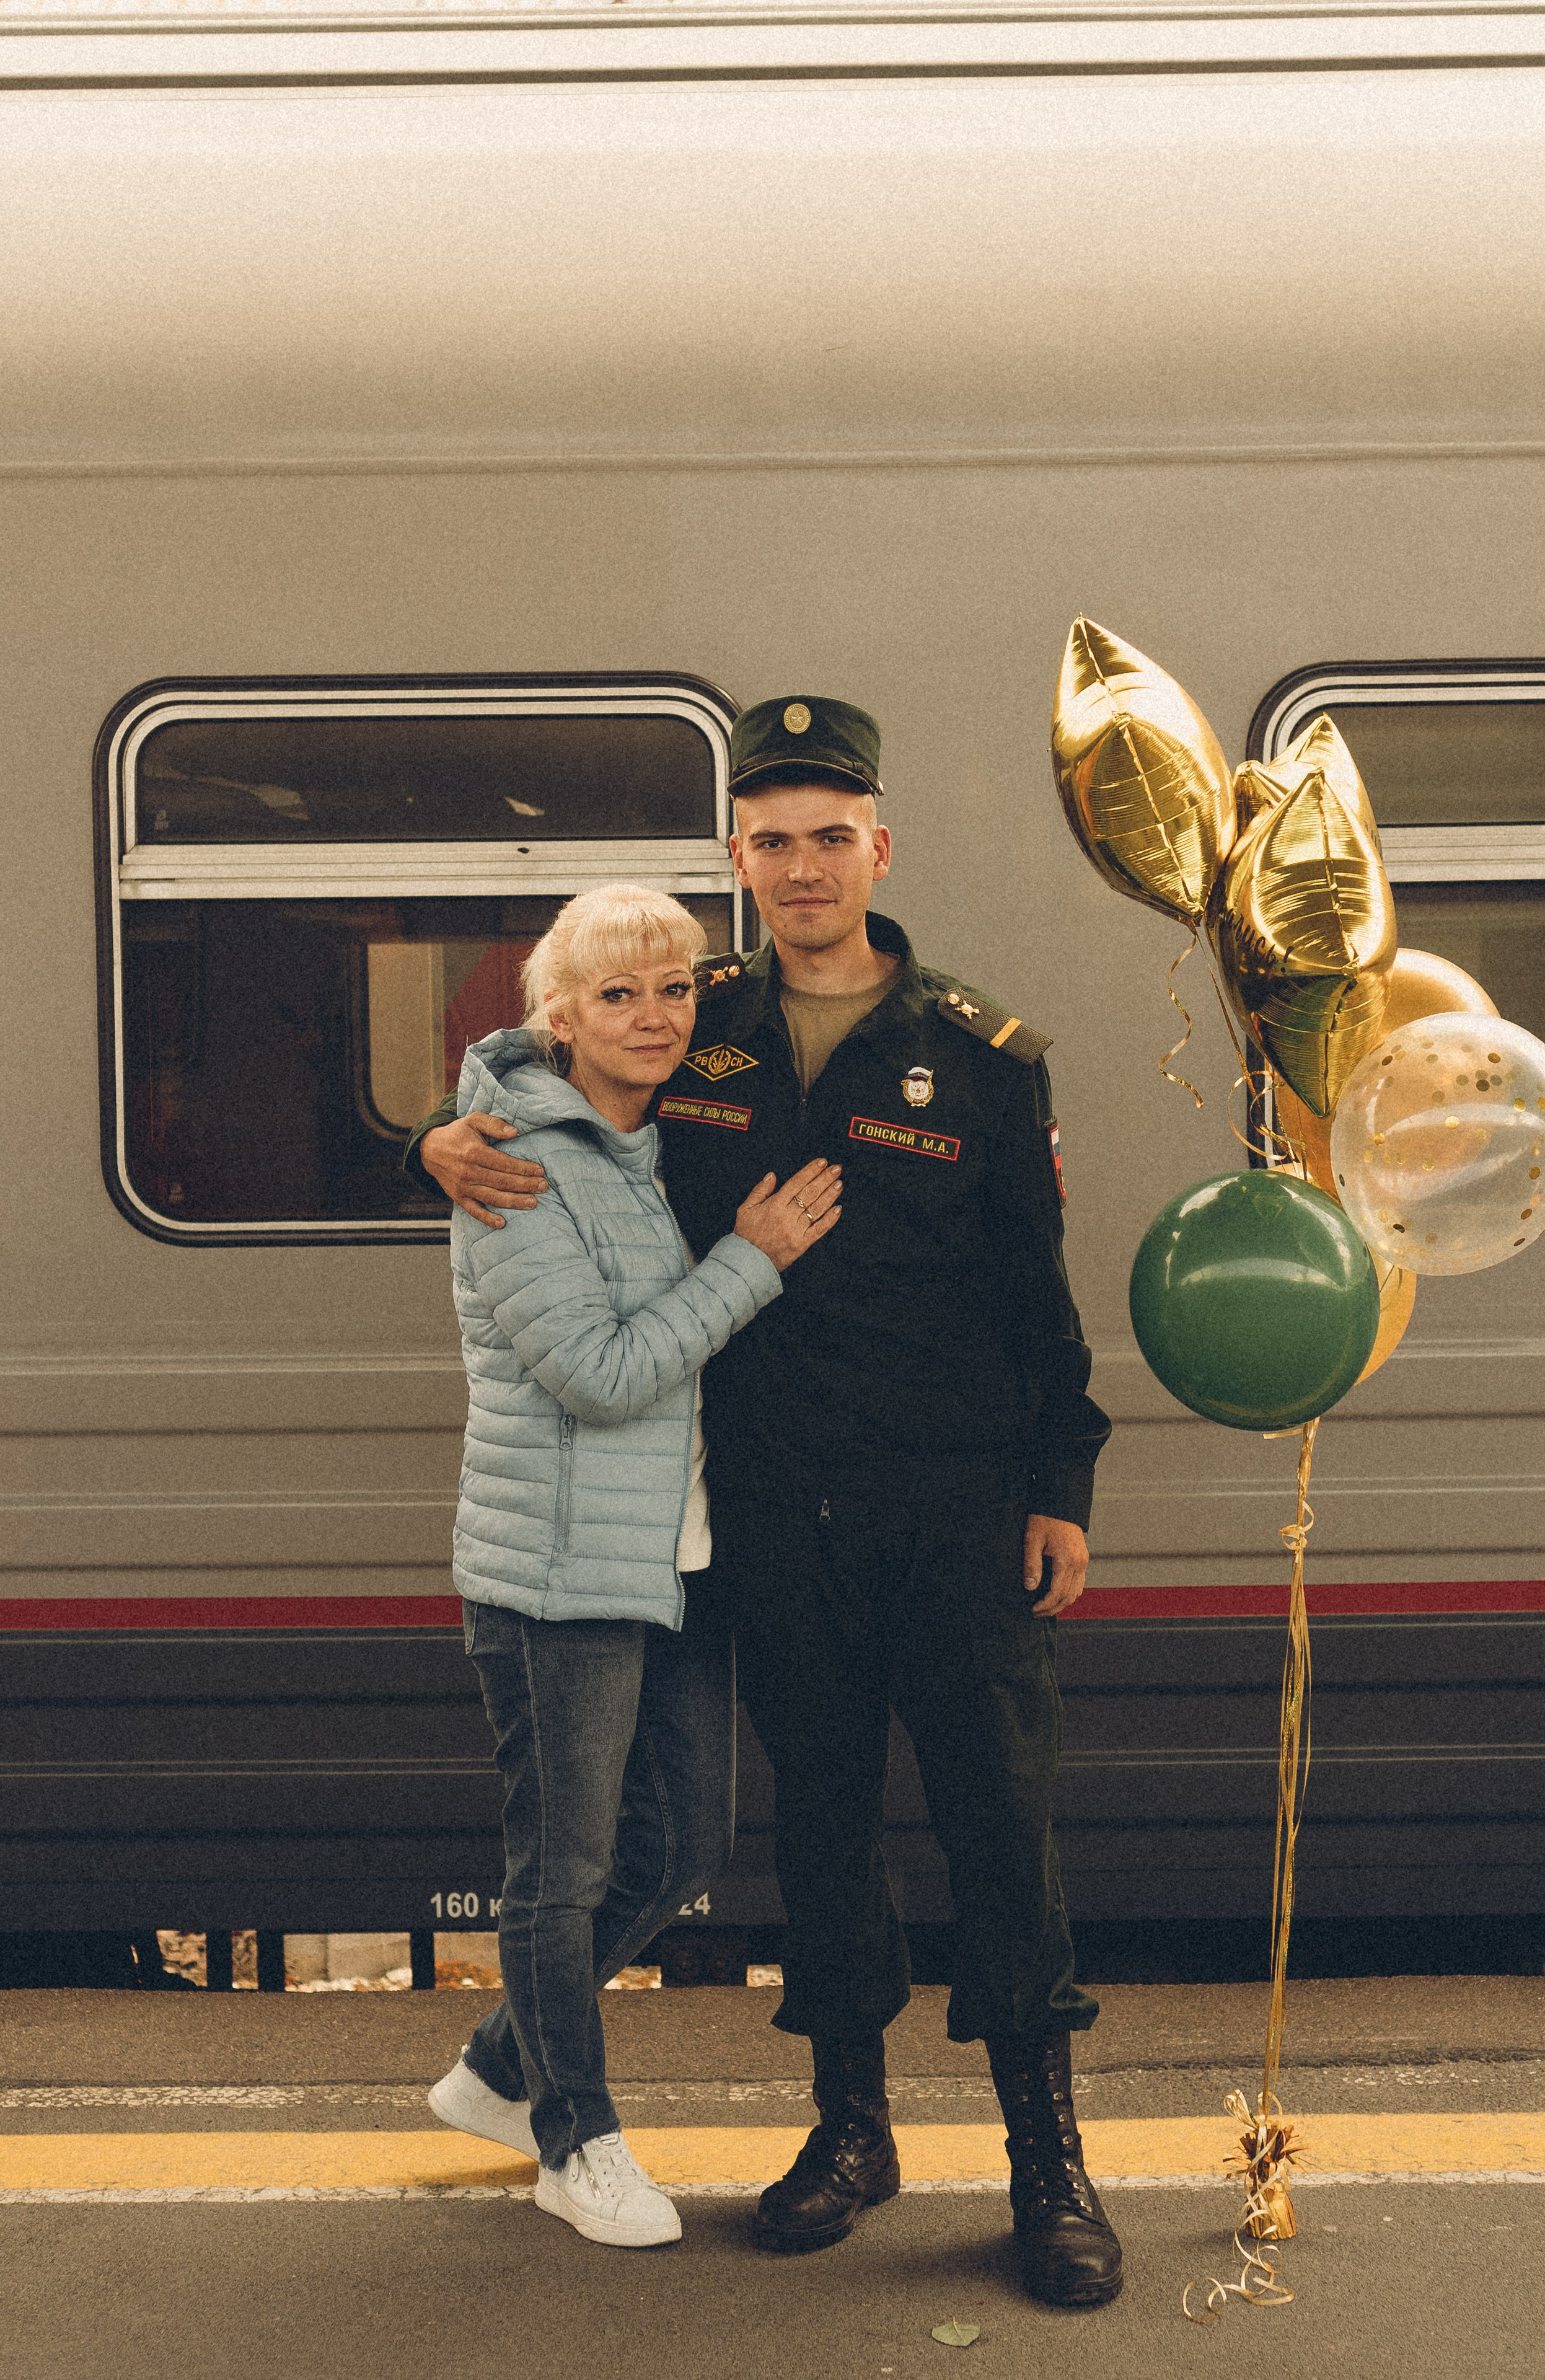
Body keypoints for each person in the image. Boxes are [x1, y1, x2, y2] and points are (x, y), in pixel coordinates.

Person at [411, 700, 1121, 2308]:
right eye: (773, 838)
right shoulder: (695, 1019)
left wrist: (1057, 1487)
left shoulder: (981, 1052)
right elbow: (532, 1071)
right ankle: (850, 2135)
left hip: (950, 1513)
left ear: (879, 845)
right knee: (820, 1833)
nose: (803, 865)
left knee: (1002, 1833)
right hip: (771, 1519)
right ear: (741, 859)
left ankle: (1046, 2164)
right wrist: (431, 1146)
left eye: (831, 833)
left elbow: (1037, 1297)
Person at [425, 881, 841, 2251]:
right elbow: (601, 1377)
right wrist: (752, 1260)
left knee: (680, 1844)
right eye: (618, 994)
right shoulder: (510, 1165)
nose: (654, 1015)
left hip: (673, 1558)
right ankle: (573, 2141)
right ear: (558, 1016)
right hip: (555, 1577)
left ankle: (495, 2071)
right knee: (564, 1865)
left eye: (673, 989)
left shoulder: (652, 1140)